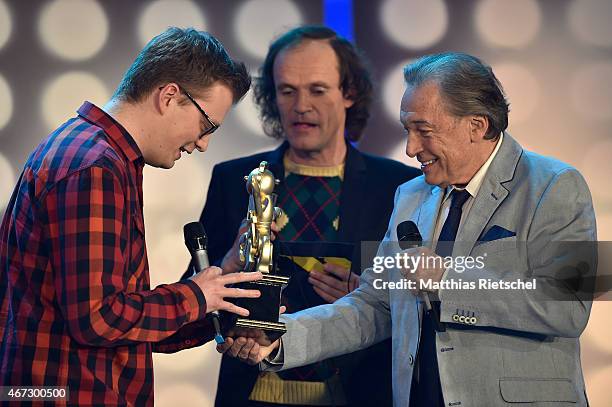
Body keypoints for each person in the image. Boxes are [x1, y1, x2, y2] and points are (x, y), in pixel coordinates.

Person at [220, 52, 597, 406]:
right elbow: (372, 306)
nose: (411, 148)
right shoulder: (411, 196)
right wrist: (279, 337)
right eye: (407, 129)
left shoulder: (558, 184)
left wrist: (451, 280)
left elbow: (571, 306)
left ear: (476, 126)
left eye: (424, 130)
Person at [0, 27, 262, 406]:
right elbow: (98, 319)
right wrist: (196, 296)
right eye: (206, 126)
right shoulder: (94, 166)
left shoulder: (99, 155)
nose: (203, 143)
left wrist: (213, 298)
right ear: (169, 96)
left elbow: (123, 320)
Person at [196, 26, 420, 406]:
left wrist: (368, 298)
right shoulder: (235, 180)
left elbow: (427, 308)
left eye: (317, 90)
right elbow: (197, 299)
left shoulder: (401, 187)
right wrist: (225, 270)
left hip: (360, 392)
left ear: (348, 93)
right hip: (250, 393)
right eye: (287, 90)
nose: (301, 105)